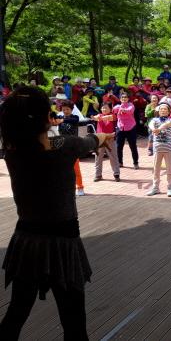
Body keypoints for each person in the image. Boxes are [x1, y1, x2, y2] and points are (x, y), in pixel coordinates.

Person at [0, 86, 112, 340]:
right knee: (74, 322)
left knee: (16, 313)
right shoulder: (64, 146)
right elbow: (89, 141)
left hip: (27, 241)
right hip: (63, 242)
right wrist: (104, 136)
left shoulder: (12, 150)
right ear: (45, 117)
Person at [147, 103, 171, 197]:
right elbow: (150, 124)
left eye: (165, 109)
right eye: (161, 109)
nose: (163, 110)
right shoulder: (154, 120)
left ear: (168, 111)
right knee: (156, 169)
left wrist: (158, 129)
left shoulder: (170, 119)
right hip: (157, 148)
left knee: (169, 169)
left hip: (169, 148)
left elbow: (167, 125)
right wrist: (153, 129)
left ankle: (170, 188)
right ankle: (155, 188)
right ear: (158, 111)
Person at [91, 103, 120, 182]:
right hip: (100, 139)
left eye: (106, 108)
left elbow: (107, 118)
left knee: (113, 157)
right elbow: (95, 118)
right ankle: (98, 175)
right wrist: (94, 117)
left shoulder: (113, 116)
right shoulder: (99, 115)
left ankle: (116, 174)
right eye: (102, 108)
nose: (104, 109)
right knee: (98, 158)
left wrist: (98, 118)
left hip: (110, 139)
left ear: (110, 109)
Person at [113, 92, 139, 170]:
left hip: (131, 127)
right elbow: (113, 110)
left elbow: (129, 111)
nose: (124, 99)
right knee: (119, 146)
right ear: (120, 99)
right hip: (120, 127)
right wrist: (119, 108)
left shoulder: (131, 105)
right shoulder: (117, 106)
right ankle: (120, 162)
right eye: (122, 97)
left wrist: (122, 109)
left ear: (128, 99)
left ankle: (135, 163)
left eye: (125, 97)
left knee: (133, 146)